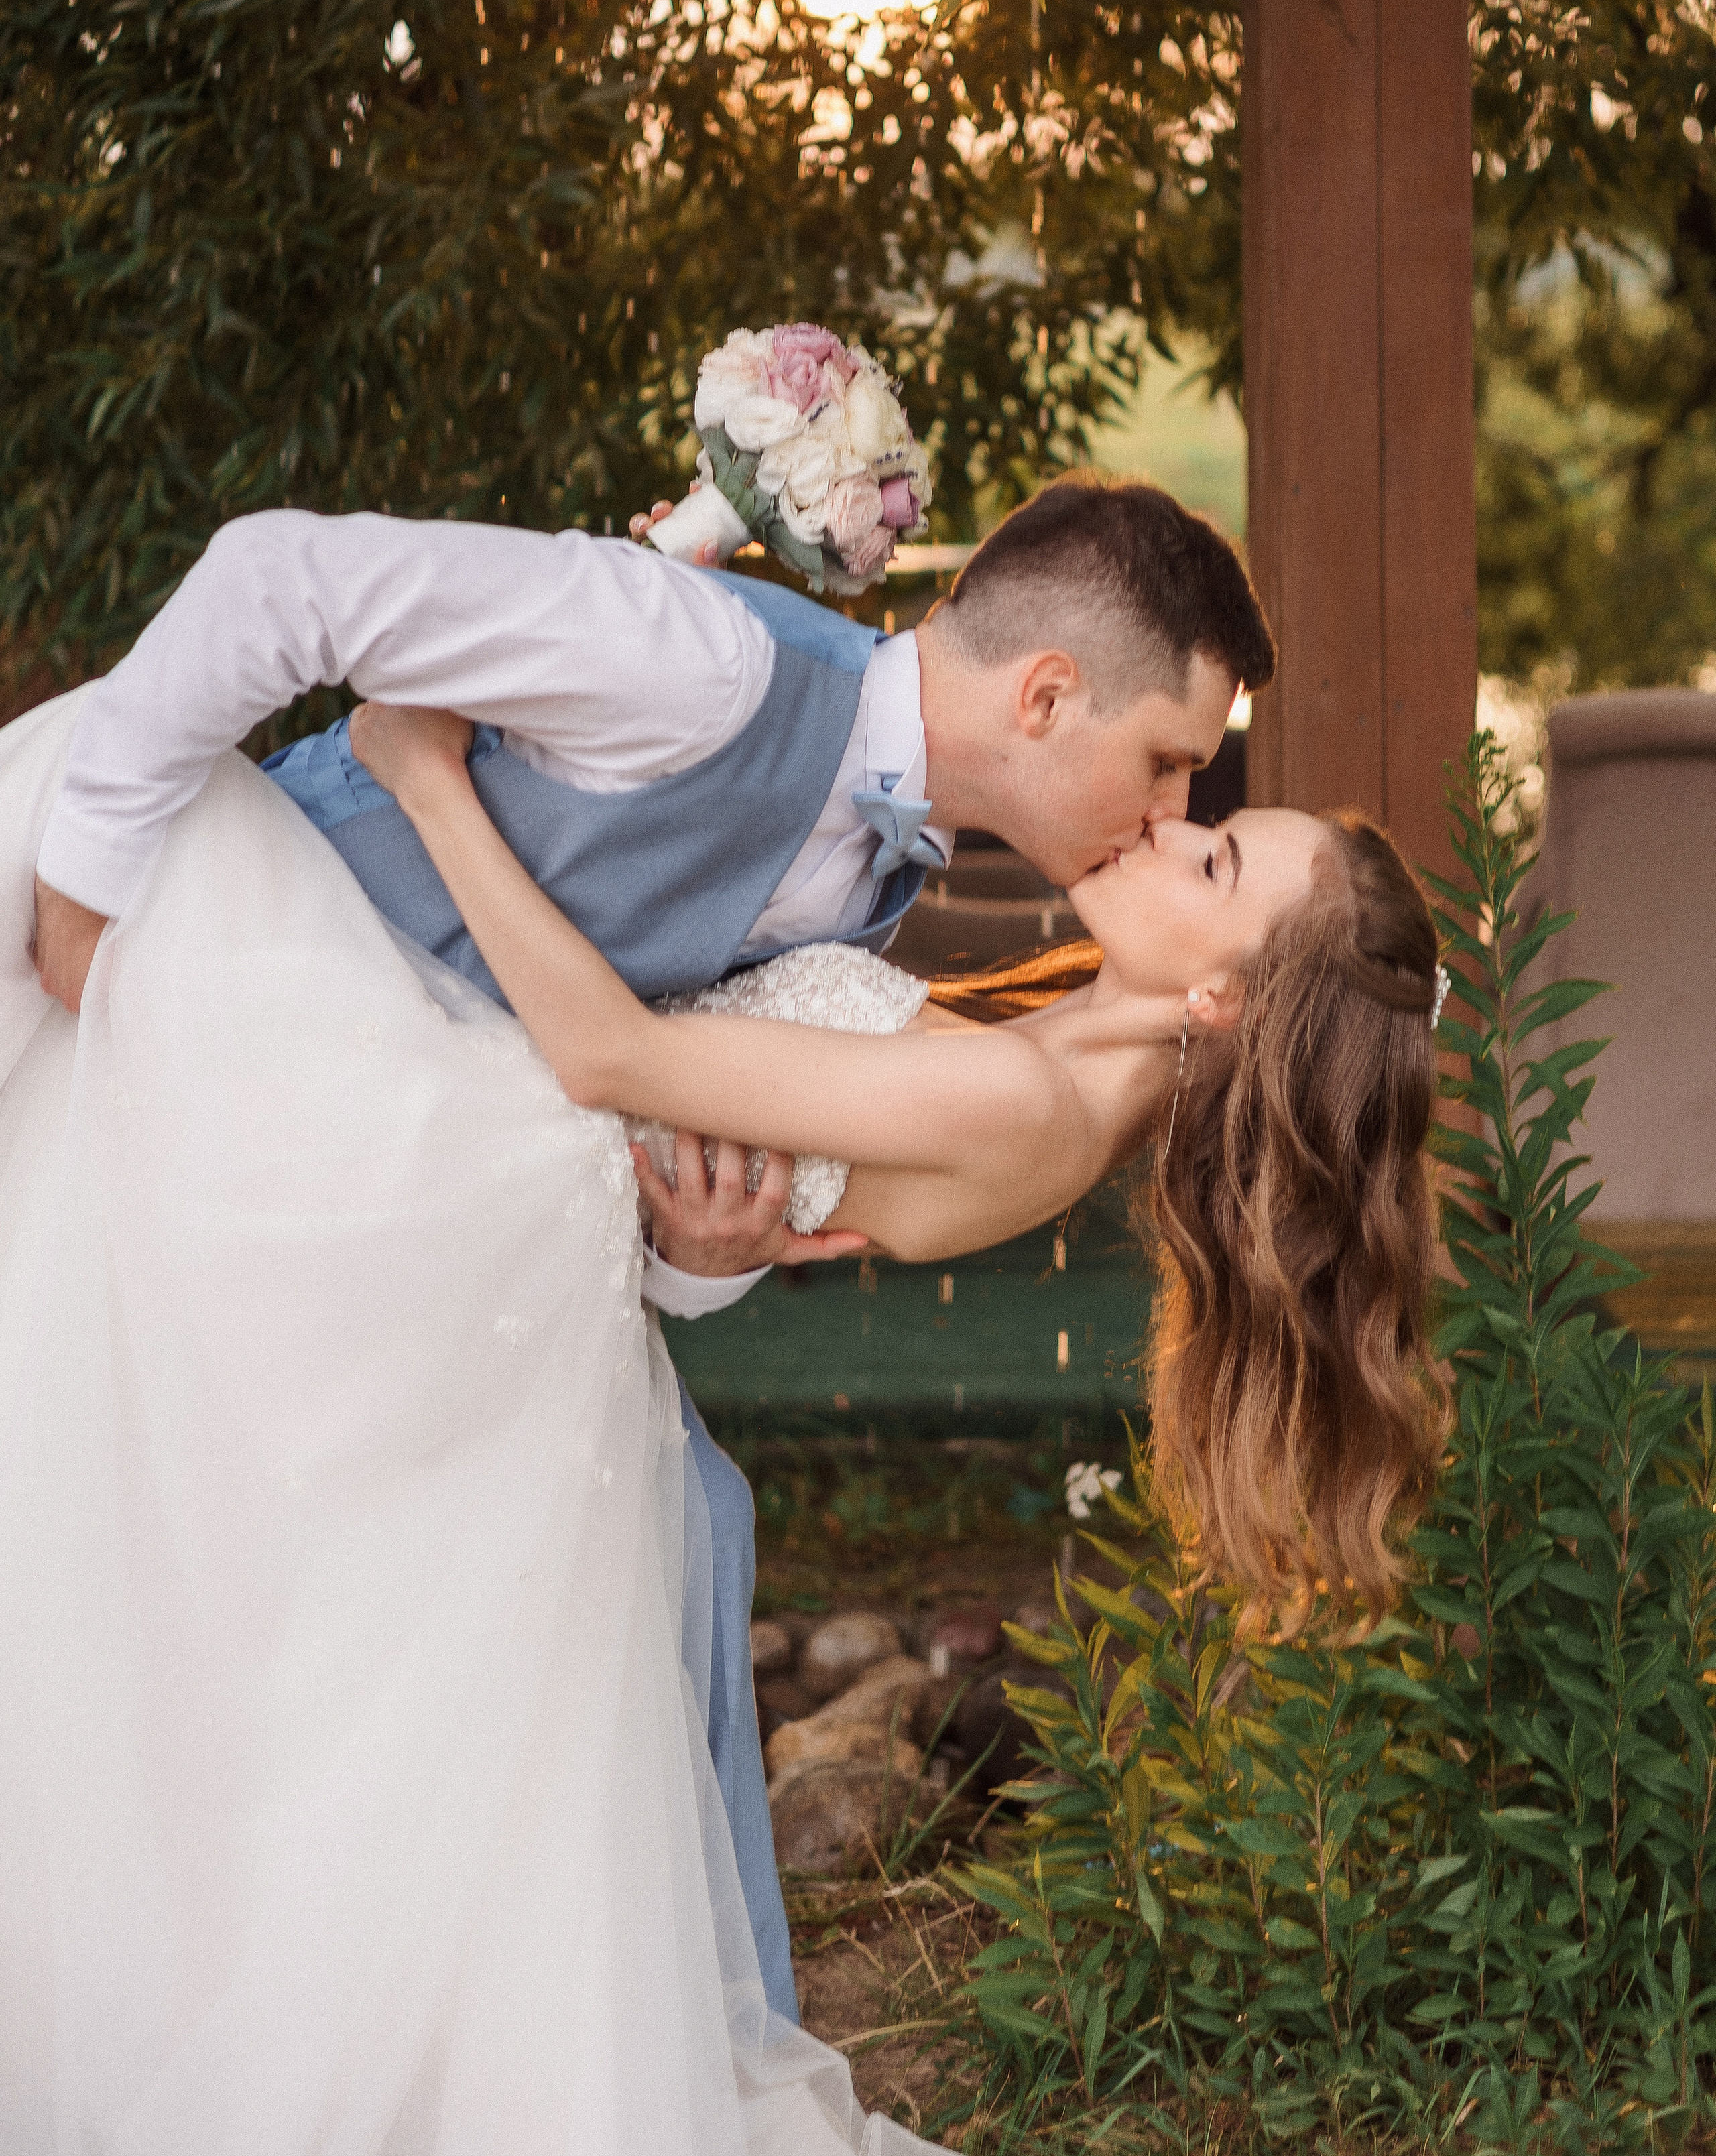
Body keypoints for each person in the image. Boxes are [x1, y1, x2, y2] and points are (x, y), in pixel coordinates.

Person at [24, 475, 1276, 2023]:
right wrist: (84, 888)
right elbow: (273, 574)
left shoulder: (880, 881)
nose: (1168, 814)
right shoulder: (701, 662)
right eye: (1166, 766)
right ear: (1044, 692)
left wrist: (702, 1254)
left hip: (383, 1217)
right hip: (194, 1014)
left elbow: (684, 1115)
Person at [351, 696, 1451, 1626]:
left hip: (468, 1164)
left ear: (1222, 1000)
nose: (1164, 824)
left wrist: (430, 783)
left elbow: (609, 1058)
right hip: (494, 1141)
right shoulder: (1046, 1049)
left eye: (1211, 862)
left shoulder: (1028, 1105)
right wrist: (704, 1260)